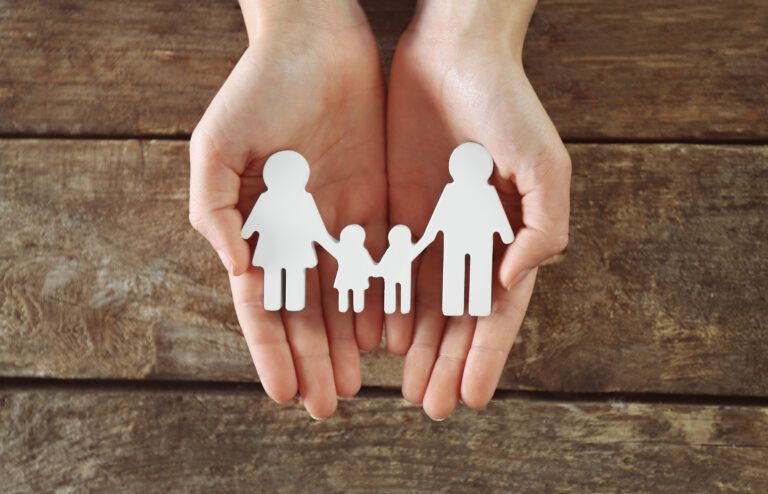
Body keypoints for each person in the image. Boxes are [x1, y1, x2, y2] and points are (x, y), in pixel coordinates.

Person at [189, 0, 571, 421]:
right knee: (291, 284)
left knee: (471, 281)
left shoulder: (471, 193)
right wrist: (295, 22)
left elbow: (452, 220)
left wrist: (475, 27)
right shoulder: (289, 198)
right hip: (313, 250)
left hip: (469, 245)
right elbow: (436, 218)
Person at [413, 143, 514, 316]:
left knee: (470, 269)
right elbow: (440, 215)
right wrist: (506, 236)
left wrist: (428, 237)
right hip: (470, 239)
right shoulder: (468, 191)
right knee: (466, 270)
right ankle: (465, 304)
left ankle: (469, 305)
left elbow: (439, 217)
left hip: (464, 239)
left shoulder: (479, 191)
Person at [240, 151, 337, 312]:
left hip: (279, 248)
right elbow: (316, 227)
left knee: (287, 273)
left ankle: (286, 302)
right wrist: (330, 244)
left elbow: (315, 226)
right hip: (285, 248)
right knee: (281, 272)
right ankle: (284, 302)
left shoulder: (280, 198)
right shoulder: (282, 198)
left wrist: (246, 233)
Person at [377, 225, 420, 315]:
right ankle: (390, 307)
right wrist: (378, 270)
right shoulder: (392, 250)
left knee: (403, 290)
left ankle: (403, 307)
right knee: (391, 290)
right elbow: (384, 262)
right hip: (392, 275)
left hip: (402, 275)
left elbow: (417, 250)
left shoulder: (406, 249)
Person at [333, 225, 376, 313]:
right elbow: (369, 265)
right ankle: (347, 306)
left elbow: (368, 264)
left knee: (352, 292)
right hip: (353, 277)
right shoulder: (357, 250)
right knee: (349, 291)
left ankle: (351, 307)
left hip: (351, 277)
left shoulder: (358, 251)